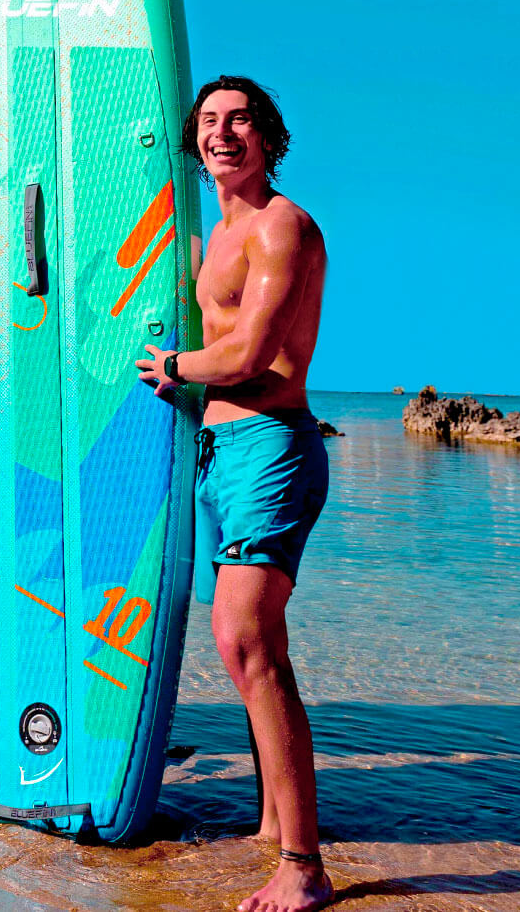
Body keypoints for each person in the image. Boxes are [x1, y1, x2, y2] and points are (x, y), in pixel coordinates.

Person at [136, 76, 333, 912]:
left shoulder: (281, 226)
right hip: (217, 452)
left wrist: (171, 369)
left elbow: (251, 352)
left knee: (248, 643)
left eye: (240, 119)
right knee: (246, 645)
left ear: (269, 136)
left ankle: (304, 866)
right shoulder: (213, 236)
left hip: (270, 449)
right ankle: (268, 823)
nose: (223, 133)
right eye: (209, 122)